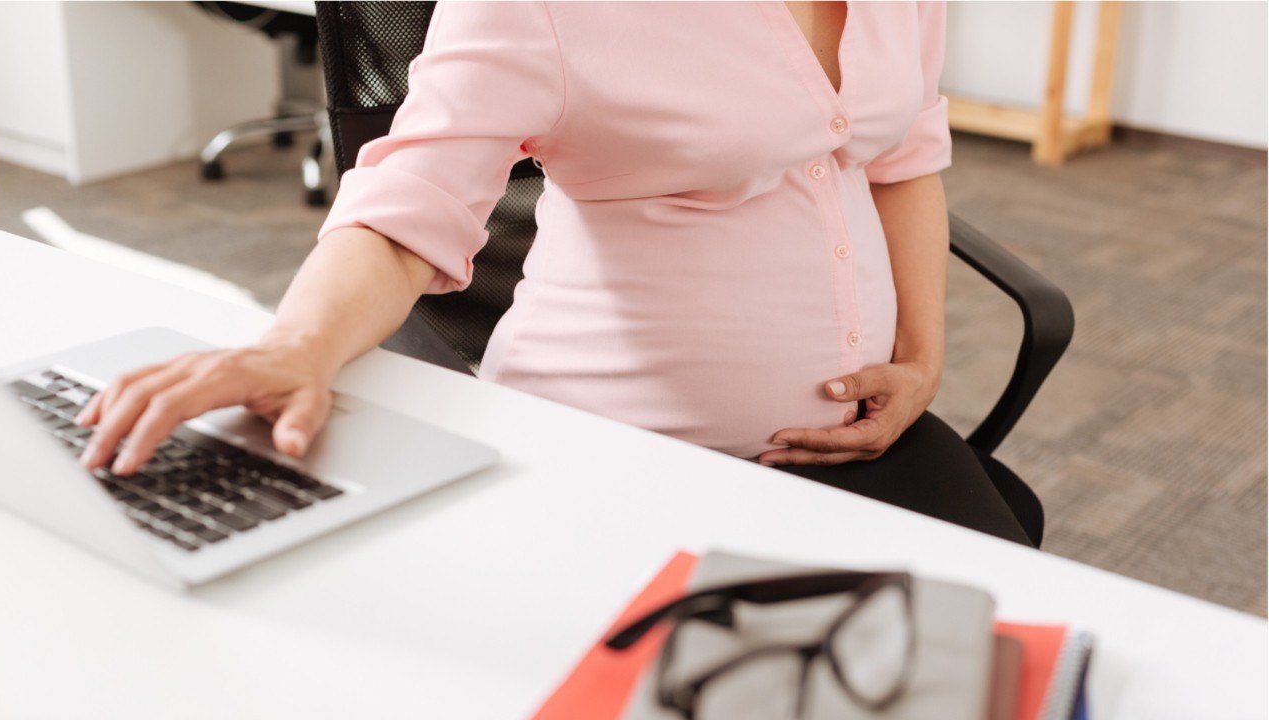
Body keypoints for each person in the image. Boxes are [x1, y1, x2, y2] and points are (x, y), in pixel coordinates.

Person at [75, 1, 1035, 546]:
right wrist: (295, 345)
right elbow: (407, 206)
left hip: (855, 442)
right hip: (620, 461)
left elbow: (903, 149)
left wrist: (921, 358)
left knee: (991, 647)